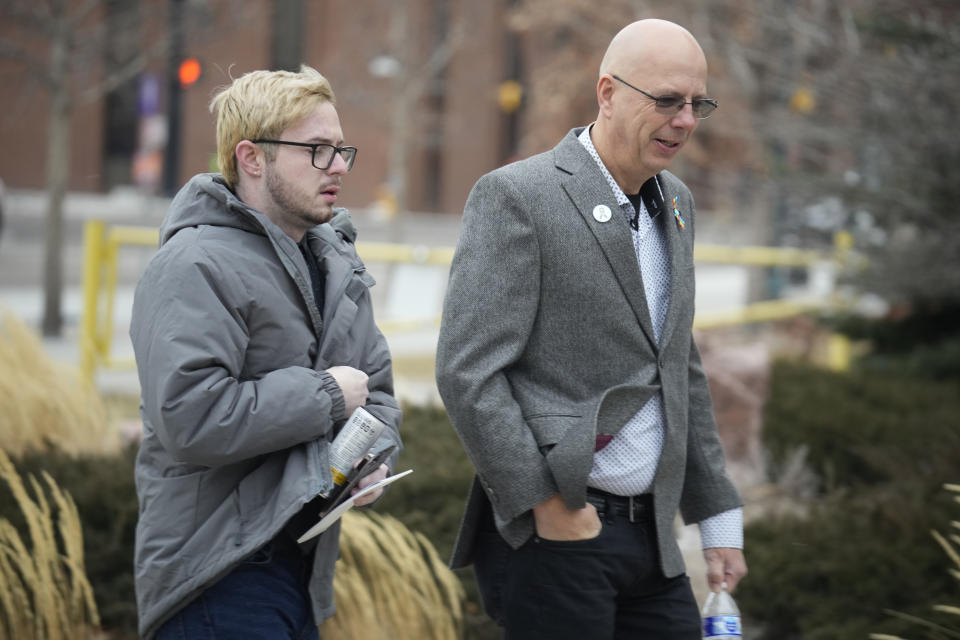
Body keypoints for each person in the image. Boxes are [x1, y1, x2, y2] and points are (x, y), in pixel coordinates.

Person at [435, 19, 747, 639]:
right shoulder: (517, 196)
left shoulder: (677, 202)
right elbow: (467, 372)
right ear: (607, 93)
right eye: (666, 101)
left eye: (696, 104)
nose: (684, 120)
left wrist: (717, 519)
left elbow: (677, 364)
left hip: (653, 539)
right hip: (559, 540)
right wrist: (548, 506)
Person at [130, 65, 401, 640]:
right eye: (317, 150)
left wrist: (370, 463)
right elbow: (190, 416)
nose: (339, 167)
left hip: (298, 569)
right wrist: (326, 395)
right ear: (252, 158)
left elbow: (375, 391)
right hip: (215, 576)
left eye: (341, 149)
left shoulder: (335, 262)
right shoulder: (195, 264)